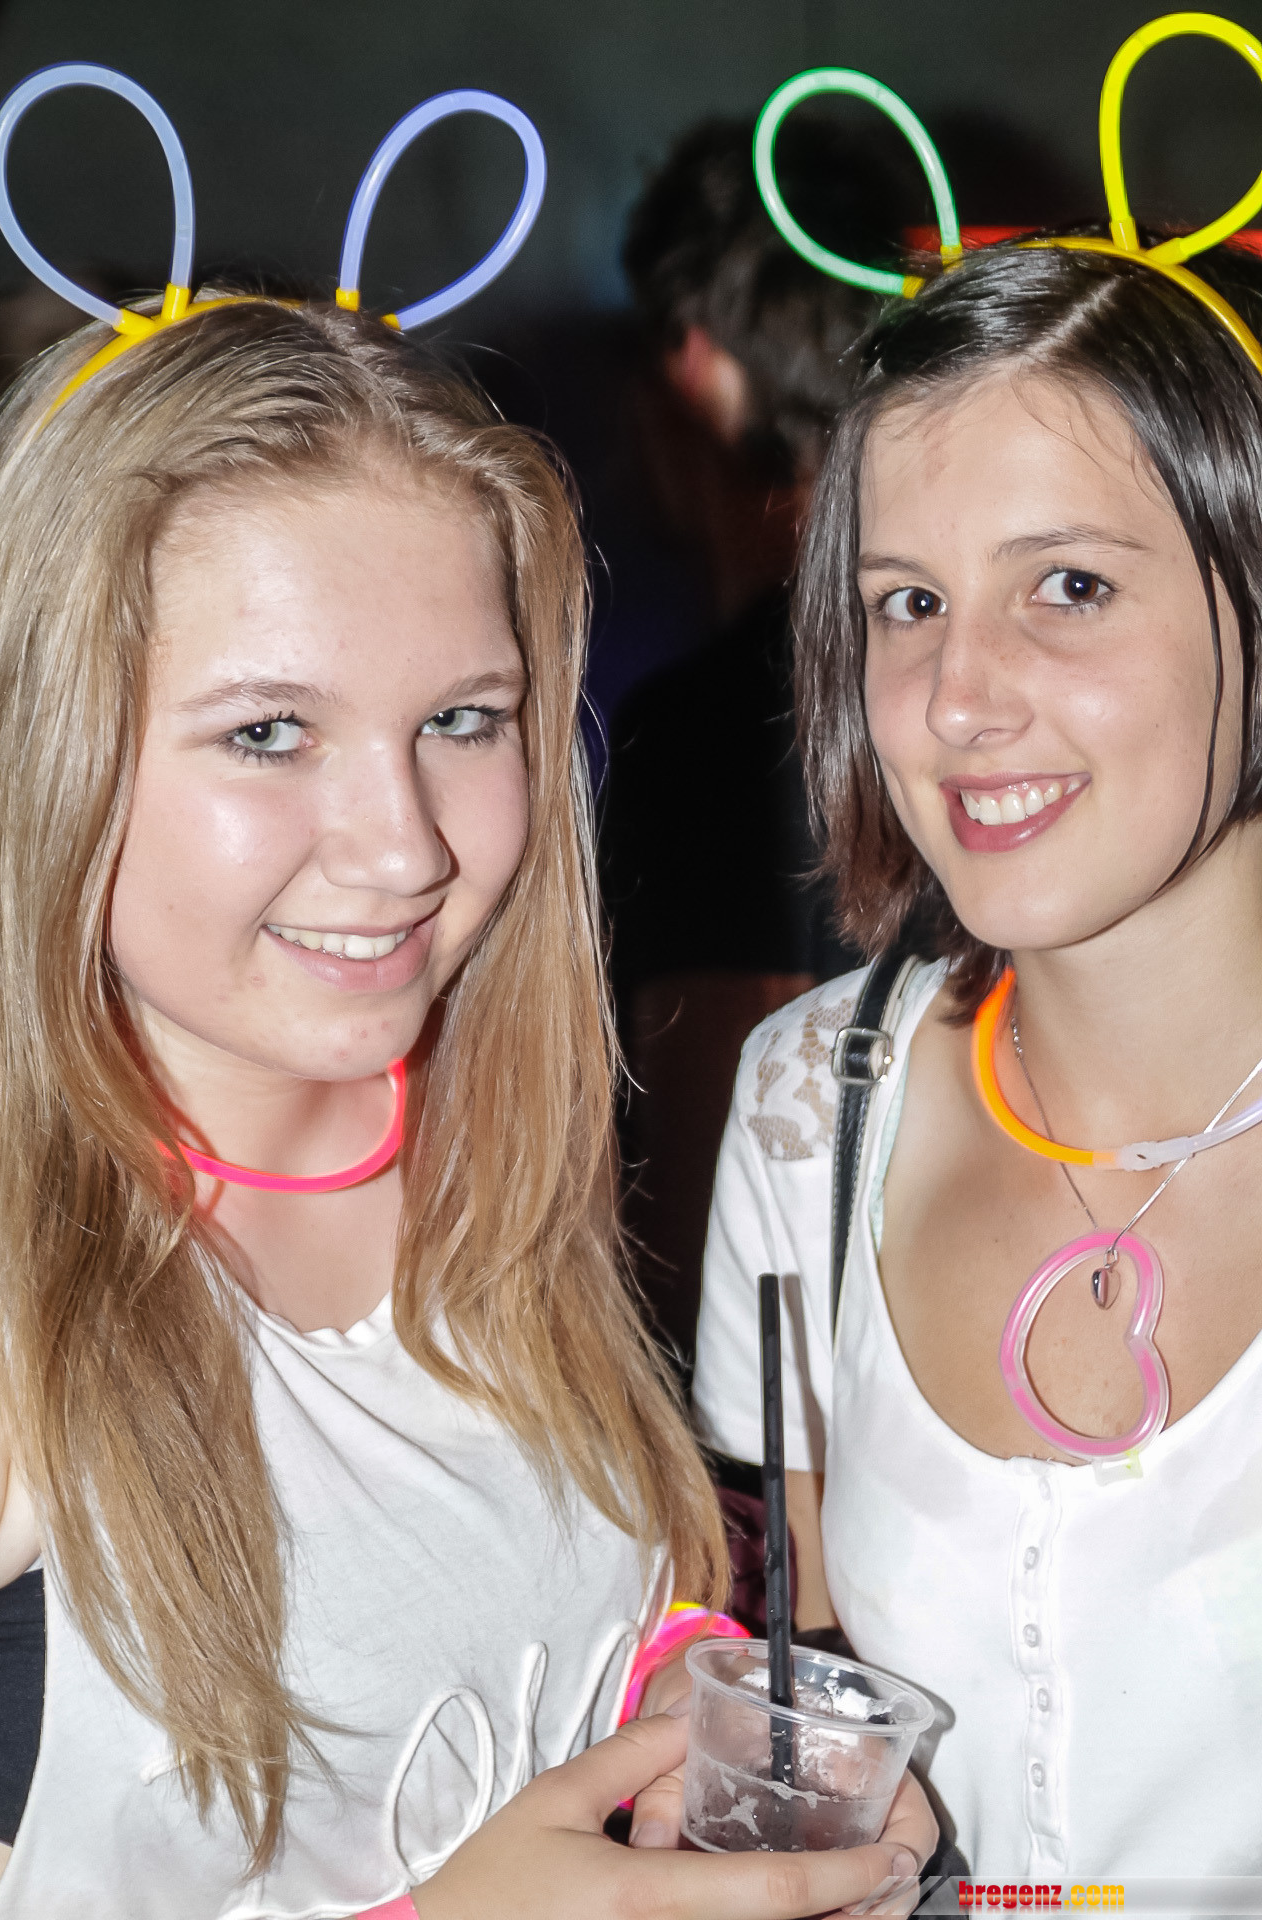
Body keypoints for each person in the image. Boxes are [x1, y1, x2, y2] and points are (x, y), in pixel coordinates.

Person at [0, 288, 939, 1915]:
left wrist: (686, 1702)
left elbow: (526, 1600)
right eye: (268, 732)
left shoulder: (481, 1150)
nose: (406, 847)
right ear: (48, 743)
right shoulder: (17, 1291)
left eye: (461, 721)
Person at [693, 231, 1262, 1876]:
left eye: (1067, 586)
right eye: (910, 604)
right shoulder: (808, 1109)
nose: (956, 698)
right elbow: (795, 1684)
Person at [601, 118, 903, 1366]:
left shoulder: (710, 728)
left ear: (695, 369)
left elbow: (703, 1206)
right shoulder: (953, 673)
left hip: (796, 1414)